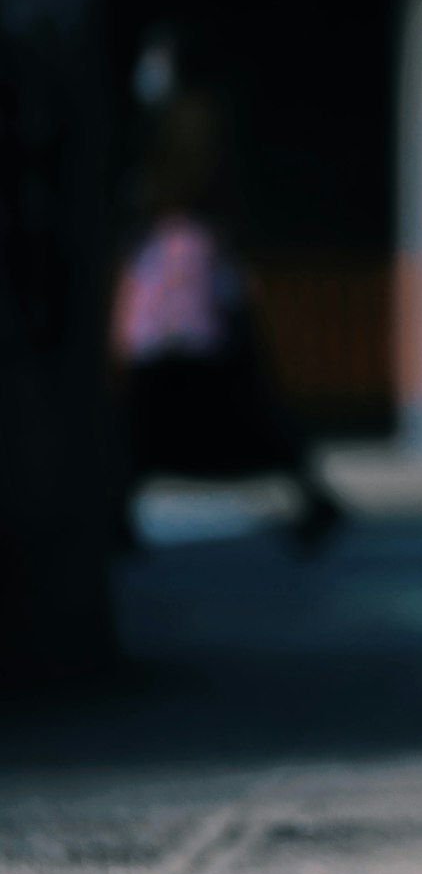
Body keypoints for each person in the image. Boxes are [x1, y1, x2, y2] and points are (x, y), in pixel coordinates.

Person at [111, 94, 343, 549]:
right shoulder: (187, 238)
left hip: (169, 368)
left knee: (153, 438)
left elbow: (142, 312)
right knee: (253, 427)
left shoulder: (170, 237)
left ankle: (117, 515)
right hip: (187, 368)